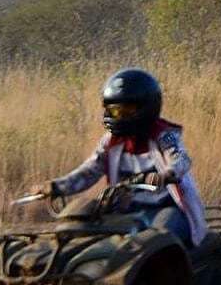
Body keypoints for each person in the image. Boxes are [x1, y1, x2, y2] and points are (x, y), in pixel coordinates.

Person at [34, 68, 209, 246]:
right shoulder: (111, 142)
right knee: (89, 236)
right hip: (126, 211)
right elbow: (89, 172)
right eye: (115, 111)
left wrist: (167, 175)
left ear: (147, 108)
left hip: (167, 208)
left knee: (156, 241)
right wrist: (56, 186)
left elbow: (181, 159)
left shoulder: (164, 135)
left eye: (127, 111)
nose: (119, 117)